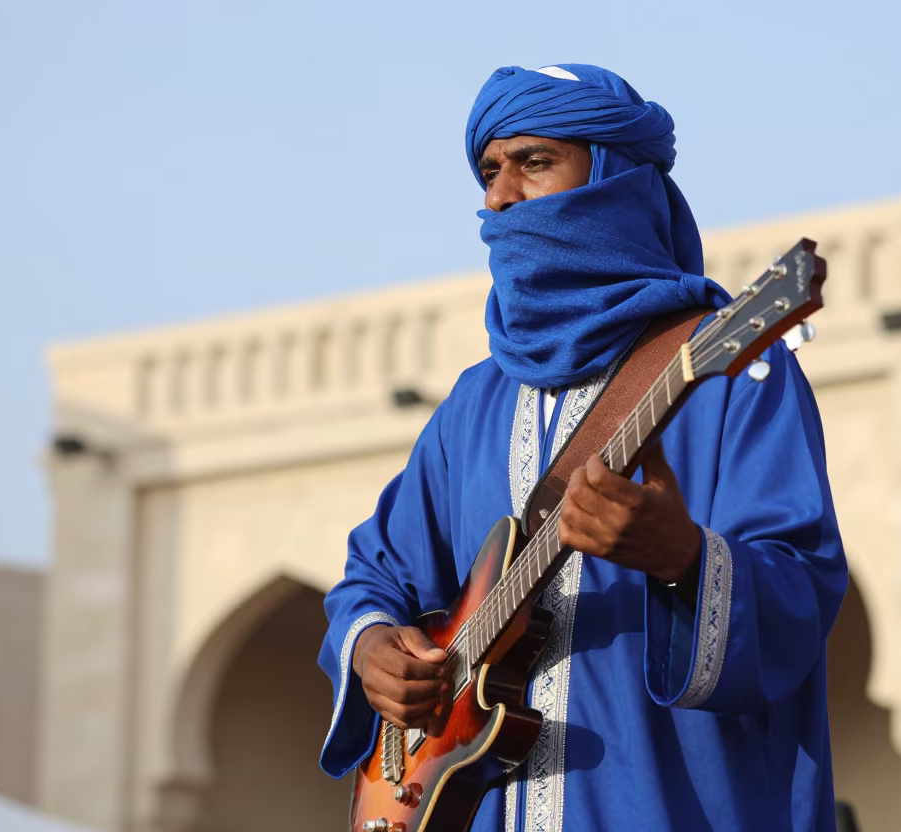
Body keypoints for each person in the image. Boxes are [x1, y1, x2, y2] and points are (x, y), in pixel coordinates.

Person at [318, 63, 847, 832]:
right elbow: (375, 576)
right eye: (489, 172)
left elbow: (802, 595)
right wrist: (372, 649)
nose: (500, 197)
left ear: (615, 179)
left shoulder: (738, 376)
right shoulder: (473, 406)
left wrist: (684, 558)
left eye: (533, 162)